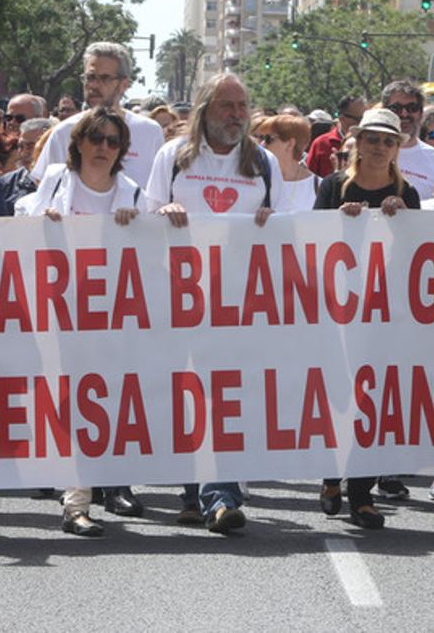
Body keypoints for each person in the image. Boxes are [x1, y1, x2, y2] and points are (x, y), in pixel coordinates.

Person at [145, 72, 283, 534]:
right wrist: (161, 214)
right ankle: (195, 491)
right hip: (181, 299)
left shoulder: (262, 162)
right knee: (187, 393)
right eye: (227, 106)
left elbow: (286, 231)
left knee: (223, 396)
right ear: (205, 109)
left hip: (238, 303)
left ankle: (217, 495)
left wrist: (270, 222)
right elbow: (143, 220)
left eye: (242, 106)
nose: (237, 115)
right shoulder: (173, 157)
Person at [16, 108, 145, 536]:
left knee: (107, 406)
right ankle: (76, 504)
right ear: (79, 145)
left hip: (112, 321)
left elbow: (153, 256)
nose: (104, 148)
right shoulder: (54, 181)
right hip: (57, 315)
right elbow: (16, 230)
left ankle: (109, 484)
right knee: (72, 404)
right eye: (96, 139)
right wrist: (42, 222)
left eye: (113, 142)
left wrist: (139, 228)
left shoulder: (133, 193)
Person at [313, 108, 419, 530]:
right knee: (336, 397)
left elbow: (416, 254)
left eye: (388, 141)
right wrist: (342, 223)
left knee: (370, 401)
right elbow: (311, 239)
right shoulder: (334, 186)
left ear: (397, 149)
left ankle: (361, 494)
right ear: (357, 141)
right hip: (336, 312)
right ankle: (328, 478)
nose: (379, 147)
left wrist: (402, 222)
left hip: (382, 316)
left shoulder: (406, 193)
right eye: (372, 138)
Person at [33, 43, 167, 191]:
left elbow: (161, 191)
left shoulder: (150, 132)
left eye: (104, 78)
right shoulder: (64, 132)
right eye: (90, 77)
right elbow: (44, 187)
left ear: (124, 84)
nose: (94, 85)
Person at [381, 80, 434, 198]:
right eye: (396, 108)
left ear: (420, 113)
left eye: (412, 108)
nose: (404, 114)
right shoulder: (369, 154)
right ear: (385, 112)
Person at [254, 113, 318, 213]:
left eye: (268, 139)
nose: (262, 144)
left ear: (289, 144)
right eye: (260, 138)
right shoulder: (255, 181)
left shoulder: (319, 186)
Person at [305, 95, 366, 178]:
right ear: (342, 118)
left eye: (365, 119)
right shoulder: (321, 143)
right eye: (359, 119)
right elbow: (308, 177)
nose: (362, 123)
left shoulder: (371, 144)